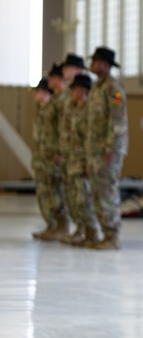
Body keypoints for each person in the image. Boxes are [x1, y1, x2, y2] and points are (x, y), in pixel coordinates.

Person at [86, 47, 129, 250]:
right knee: (97, 192)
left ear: (104, 64)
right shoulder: (96, 87)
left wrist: (111, 148)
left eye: (94, 61)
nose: (91, 65)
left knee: (107, 192)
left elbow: (117, 120)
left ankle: (112, 236)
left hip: (108, 151)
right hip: (95, 150)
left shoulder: (114, 89)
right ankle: (104, 234)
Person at [62, 73, 103, 246]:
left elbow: (90, 139)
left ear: (82, 90)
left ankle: (92, 232)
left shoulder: (89, 111)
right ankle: (81, 231)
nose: (71, 92)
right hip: (73, 160)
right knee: (75, 200)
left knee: (84, 199)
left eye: (74, 89)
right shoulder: (75, 109)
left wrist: (88, 163)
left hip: (83, 162)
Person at [30, 76, 70, 241]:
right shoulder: (42, 110)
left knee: (56, 193)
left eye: (38, 92)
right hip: (42, 158)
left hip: (52, 158)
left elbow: (60, 132)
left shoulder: (55, 108)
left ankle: (61, 226)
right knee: (45, 194)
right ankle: (51, 225)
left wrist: (59, 152)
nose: (35, 95)